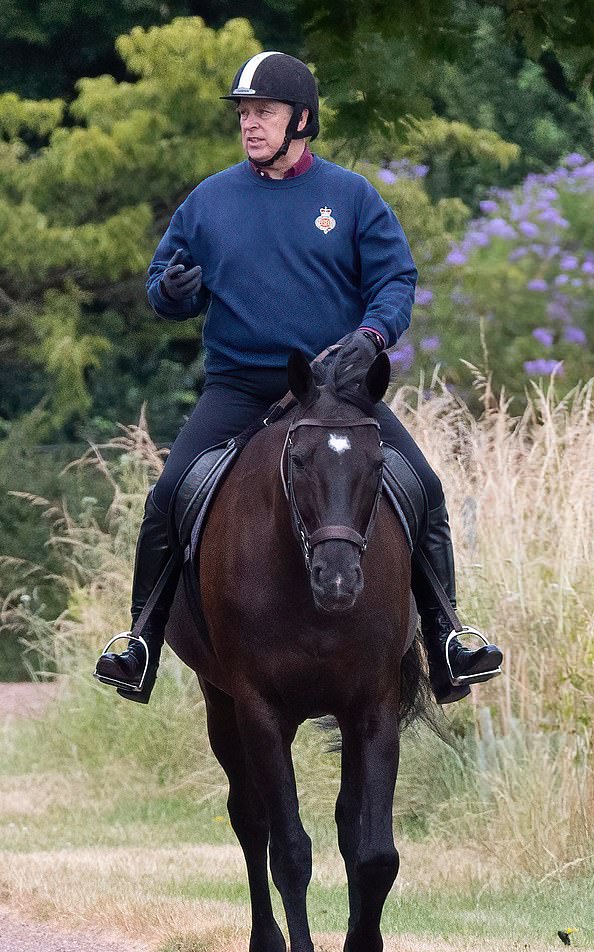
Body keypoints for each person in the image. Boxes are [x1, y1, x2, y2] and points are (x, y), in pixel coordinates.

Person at [95, 51, 502, 705]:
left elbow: (396, 280)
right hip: (239, 385)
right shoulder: (209, 201)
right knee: (169, 494)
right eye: (244, 113)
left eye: (264, 111)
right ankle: (138, 643)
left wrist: (371, 337)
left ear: (302, 119)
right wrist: (171, 290)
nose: (250, 124)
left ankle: (447, 638)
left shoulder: (351, 196)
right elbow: (163, 290)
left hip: (333, 390)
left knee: (423, 485)